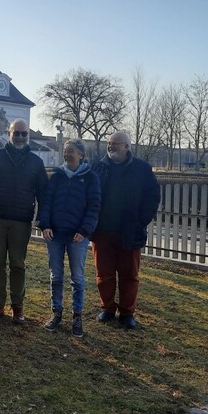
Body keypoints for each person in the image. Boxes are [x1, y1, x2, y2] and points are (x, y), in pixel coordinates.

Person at [0, 118, 48, 324]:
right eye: (17, 133)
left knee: (17, 264)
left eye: (24, 134)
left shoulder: (36, 162)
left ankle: (18, 307)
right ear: (9, 134)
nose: (21, 137)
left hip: (21, 222)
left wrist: (42, 218)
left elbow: (44, 193)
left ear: (28, 136)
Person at [91, 131, 161, 329]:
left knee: (129, 274)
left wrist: (141, 221)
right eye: (109, 143)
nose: (111, 147)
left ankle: (127, 312)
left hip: (129, 232)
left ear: (127, 147)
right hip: (102, 231)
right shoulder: (98, 167)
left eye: (116, 144)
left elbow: (152, 197)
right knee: (103, 273)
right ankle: (107, 308)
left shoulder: (142, 169)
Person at [38, 139, 100, 338]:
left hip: (77, 237)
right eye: (65, 151)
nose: (67, 154)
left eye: (71, 151)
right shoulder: (57, 176)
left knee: (77, 278)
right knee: (56, 276)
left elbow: (94, 207)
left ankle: (77, 316)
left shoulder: (90, 178)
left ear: (81, 155)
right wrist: (45, 224)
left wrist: (84, 230)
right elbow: (46, 201)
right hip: (55, 234)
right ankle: (56, 313)